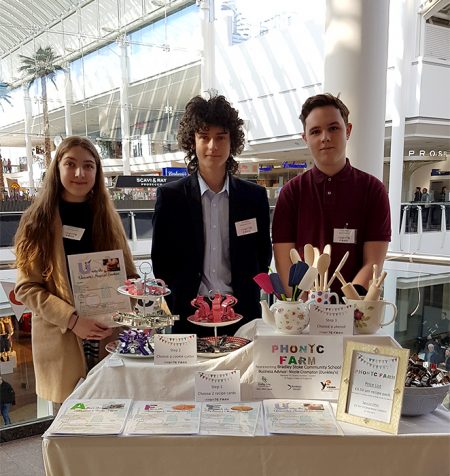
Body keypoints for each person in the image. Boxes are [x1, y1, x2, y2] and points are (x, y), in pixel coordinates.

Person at [14, 136, 137, 403]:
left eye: (89, 166)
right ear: (57, 168)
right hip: (63, 339)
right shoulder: (37, 220)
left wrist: (138, 294)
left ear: (97, 172)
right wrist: (73, 320)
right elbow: (26, 288)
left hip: (108, 337)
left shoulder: (107, 217)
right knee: (70, 429)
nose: (80, 173)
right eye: (71, 164)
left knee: (112, 423)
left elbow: (129, 276)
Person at [151, 93, 272, 334]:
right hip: (189, 315)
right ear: (192, 142)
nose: (212, 146)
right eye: (204, 137)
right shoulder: (171, 197)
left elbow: (262, 255)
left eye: (221, 137)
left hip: (241, 314)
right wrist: (178, 296)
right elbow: (161, 261)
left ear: (232, 141)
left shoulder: (254, 197)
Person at [272, 93, 391, 296]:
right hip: (302, 313)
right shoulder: (291, 193)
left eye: (333, 128)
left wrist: (345, 309)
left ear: (348, 130)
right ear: (305, 138)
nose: (325, 137)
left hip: (354, 311)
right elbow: (284, 261)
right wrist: (298, 305)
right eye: (315, 131)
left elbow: (373, 263)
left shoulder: (373, 190)